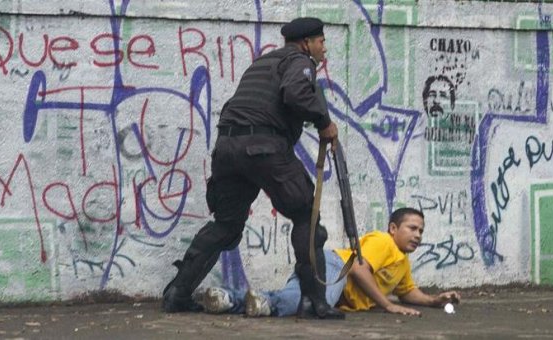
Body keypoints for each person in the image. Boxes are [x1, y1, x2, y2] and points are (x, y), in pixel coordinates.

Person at [162, 17, 343, 319]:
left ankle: (177, 293)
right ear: (306, 43)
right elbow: (296, 93)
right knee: (305, 216)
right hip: (264, 147)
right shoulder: (300, 61)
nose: (324, 48)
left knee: (226, 224)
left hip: (228, 149)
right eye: (321, 42)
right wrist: (325, 124)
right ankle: (315, 302)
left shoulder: (263, 62)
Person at [198, 208, 461, 317]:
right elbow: (358, 267)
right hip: (335, 267)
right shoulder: (384, 243)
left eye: (421, 231)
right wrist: (387, 306)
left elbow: (408, 292)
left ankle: (226, 299)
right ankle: (244, 299)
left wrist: (434, 300)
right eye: (412, 228)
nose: (417, 235)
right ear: (393, 228)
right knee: (295, 304)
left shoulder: (402, 262)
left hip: (335, 284)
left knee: (294, 301)